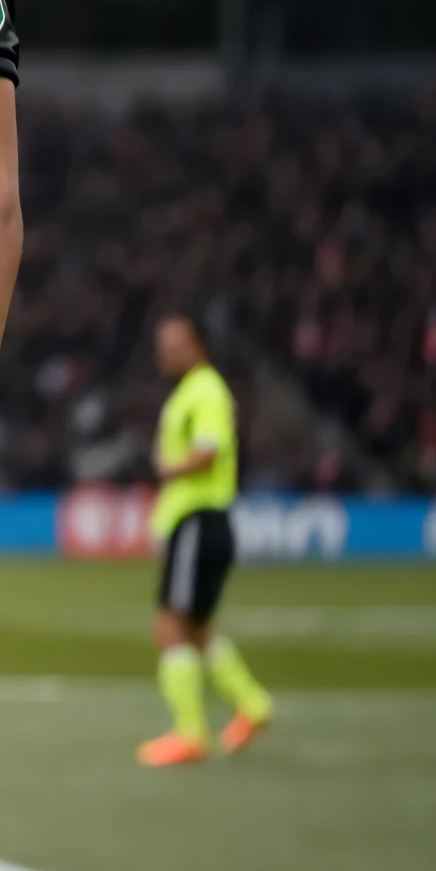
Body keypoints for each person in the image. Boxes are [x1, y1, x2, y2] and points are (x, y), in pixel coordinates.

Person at [136, 313, 274, 766]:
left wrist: (167, 467)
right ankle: (252, 704)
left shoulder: (205, 390)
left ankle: (190, 731)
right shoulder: (193, 391)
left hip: (198, 519)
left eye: (174, 344)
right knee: (196, 629)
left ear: (198, 345)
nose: (165, 353)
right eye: (162, 345)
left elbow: (209, 448)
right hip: (201, 521)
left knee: (171, 626)